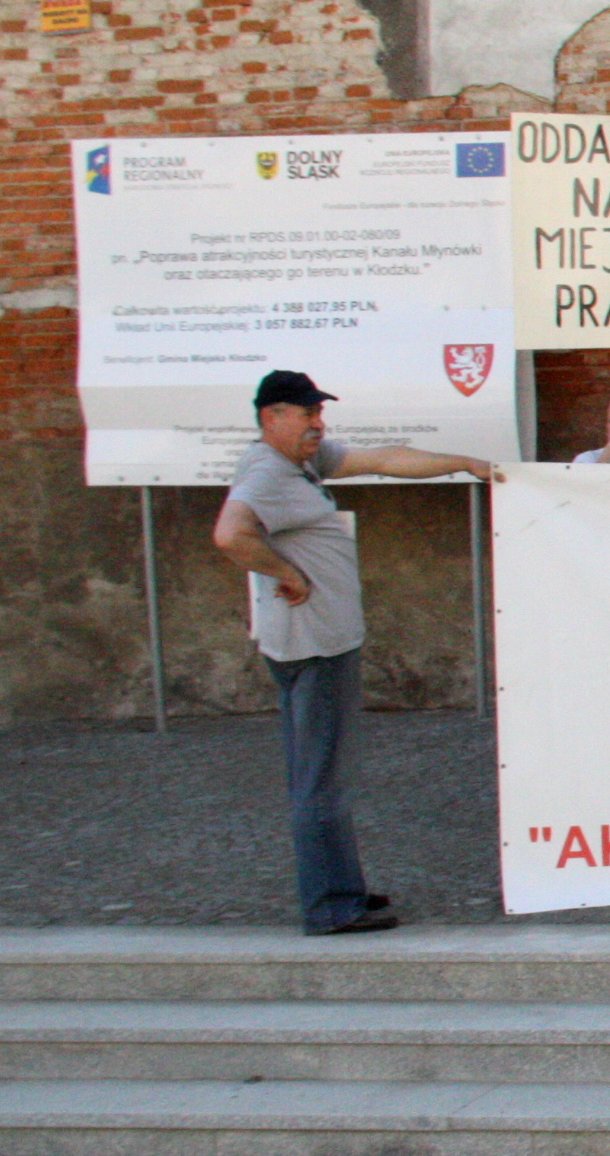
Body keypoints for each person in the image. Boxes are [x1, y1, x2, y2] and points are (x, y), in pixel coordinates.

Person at [211, 371, 499, 936]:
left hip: (321, 642)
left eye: (320, 413)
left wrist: (463, 462)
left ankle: (341, 887)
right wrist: (285, 571)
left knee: (321, 774)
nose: (319, 423)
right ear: (272, 418)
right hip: (315, 648)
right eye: (307, 413)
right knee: (321, 780)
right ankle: (330, 905)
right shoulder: (269, 473)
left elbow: (385, 459)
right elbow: (229, 534)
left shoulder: (300, 464)